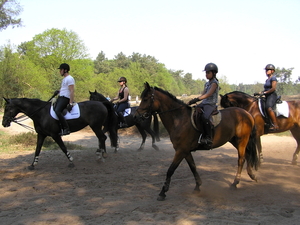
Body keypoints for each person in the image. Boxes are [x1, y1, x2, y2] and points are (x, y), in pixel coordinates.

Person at [188, 63, 219, 145]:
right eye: (206, 73)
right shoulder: (206, 84)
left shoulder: (214, 83)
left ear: (214, 73)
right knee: (194, 112)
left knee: (205, 117)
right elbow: (202, 95)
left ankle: (208, 137)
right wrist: (193, 101)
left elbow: (208, 94)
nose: (206, 74)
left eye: (208, 73)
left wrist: (196, 99)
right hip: (204, 103)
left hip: (211, 104)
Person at [54, 63, 75, 136]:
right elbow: (65, 89)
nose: (60, 71)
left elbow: (72, 91)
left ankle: (66, 128)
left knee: (57, 111)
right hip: (61, 97)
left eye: (61, 70)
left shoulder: (69, 78)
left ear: (65, 70)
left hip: (65, 98)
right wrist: (58, 91)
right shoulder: (65, 79)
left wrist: (70, 103)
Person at [260, 64, 279, 131]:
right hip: (267, 95)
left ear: (272, 71)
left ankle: (275, 124)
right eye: (266, 70)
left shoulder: (273, 78)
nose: (266, 71)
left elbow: (273, 88)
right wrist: (261, 92)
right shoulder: (267, 80)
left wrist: (265, 93)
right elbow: (266, 89)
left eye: (268, 70)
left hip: (272, 95)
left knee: (268, 107)